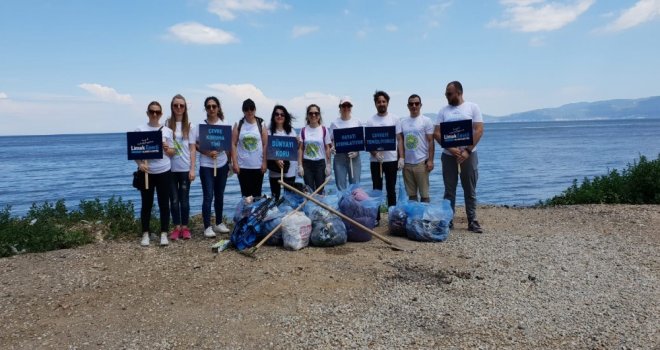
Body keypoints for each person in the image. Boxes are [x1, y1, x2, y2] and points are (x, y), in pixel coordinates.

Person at [433, 81, 484, 233]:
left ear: (459, 92)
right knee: (449, 190)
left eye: (449, 94)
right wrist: (451, 149)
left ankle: (472, 220)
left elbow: (479, 130)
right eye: (446, 94)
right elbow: (436, 133)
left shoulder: (472, 107)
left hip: (469, 155)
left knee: (470, 189)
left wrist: (467, 151)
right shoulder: (443, 111)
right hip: (449, 156)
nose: (447, 96)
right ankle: (449, 220)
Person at [134, 101, 175, 247]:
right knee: (147, 204)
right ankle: (145, 233)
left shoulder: (167, 131)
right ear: (147, 113)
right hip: (147, 173)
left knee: (164, 204)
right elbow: (135, 151)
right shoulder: (140, 129)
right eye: (152, 111)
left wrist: (167, 149)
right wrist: (140, 165)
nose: (155, 114)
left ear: (161, 114)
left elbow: (172, 152)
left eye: (157, 112)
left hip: (164, 171)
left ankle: (164, 233)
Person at [191, 96, 231, 238]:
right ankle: (207, 226)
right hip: (207, 165)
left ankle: (219, 223)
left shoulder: (224, 124)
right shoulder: (200, 126)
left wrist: (230, 163)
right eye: (209, 106)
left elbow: (228, 145)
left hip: (222, 164)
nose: (212, 109)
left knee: (220, 195)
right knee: (208, 196)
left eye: (214, 106)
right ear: (205, 109)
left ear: (218, 108)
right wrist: (206, 152)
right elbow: (195, 144)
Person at [165, 94, 195, 241]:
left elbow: (192, 149)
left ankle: (185, 228)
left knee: (184, 200)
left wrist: (192, 169)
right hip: (170, 169)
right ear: (172, 107)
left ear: (185, 108)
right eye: (175, 105)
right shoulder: (166, 125)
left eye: (181, 105)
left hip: (184, 169)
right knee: (174, 200)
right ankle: (176, 228)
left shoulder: (190, 126)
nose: (178, 108)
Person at [367, 90, 404, 207]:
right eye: (379, 102)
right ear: (375, 104)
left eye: (384, 101)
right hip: (375, 161)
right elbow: (368, 142)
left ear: (387, 103)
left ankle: (392, 215)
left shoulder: (395, 119)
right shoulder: (370, 121)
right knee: (376, 189)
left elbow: (399, 139)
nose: (381, 104)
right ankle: (376, 217)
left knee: (391, 189)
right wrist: (375, 154)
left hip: (391, 160)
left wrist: (401, 157)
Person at [400, 94, 435, 202]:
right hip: (407, 164)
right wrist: (400, 158)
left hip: (421, 163)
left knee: (424, 195)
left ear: (420, 105)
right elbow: (400, 141)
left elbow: (431, 141)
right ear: (408, 106)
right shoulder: (403, 122)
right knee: (411, 195)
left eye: (416, 103)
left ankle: (425, 217)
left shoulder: (426, 121)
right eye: (411, 104)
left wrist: (430, 160)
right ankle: (415, 218)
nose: (414, 106)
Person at [232, 98, 268, 197]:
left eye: (251, 108)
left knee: (257, 195)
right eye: (246, 109)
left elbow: (265, 144)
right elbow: (233, 144)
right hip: (243, 166)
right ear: (243, 110)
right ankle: (246, 213)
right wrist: (235, 163)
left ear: (255, 109)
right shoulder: (239, 124)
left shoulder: (261, 123)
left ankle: (255, 213)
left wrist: (265, 162)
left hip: (258, 166)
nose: (249, 111)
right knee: (246, 196)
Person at [329, 96, 362, 191]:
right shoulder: (334, 123)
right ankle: (343, 205)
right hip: (339, 157)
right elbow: (330, 141)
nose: (346, 108)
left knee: (355, 186)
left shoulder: (357, 121)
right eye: (344, 106)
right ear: (340, 107)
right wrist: (332, 148)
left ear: (351, 107)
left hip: (354, 156)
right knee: (340, 186)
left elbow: (361, 140)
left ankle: (355, 206)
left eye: (348, 106)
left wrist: (357, 151)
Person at [298, 104, 332, 193]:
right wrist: (300, 165)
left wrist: (328, 165)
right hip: (307, 165)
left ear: (319, 115)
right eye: (311, 113)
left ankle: (319, 207)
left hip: (320, 165)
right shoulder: (303, 130)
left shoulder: (324, 130)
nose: (313, 115)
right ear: (307, 116)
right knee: (309, 191)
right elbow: (300, 149)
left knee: (320, 191)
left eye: (316, 113)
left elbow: (327, 148)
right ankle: (311, 207)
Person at [267, 105, 298, 199]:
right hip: (275, 170)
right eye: (277, 114)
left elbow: (295, 149)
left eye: (282, 114)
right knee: (275, 197)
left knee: (289, 197)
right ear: (273, 116)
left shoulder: (291, 131)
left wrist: (298, 143)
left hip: (290, 169)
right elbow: (266, 148)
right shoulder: (269, 131)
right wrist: (276, 159)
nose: (279, 116)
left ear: (285, 117)